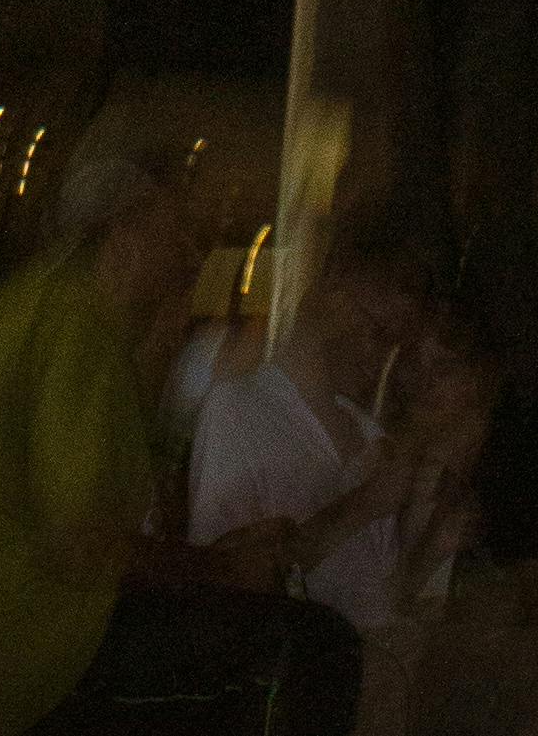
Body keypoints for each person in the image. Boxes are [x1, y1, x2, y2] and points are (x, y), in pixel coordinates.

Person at [0, 155, 363, 735]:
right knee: (310, 650)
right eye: (180, 231)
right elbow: (86, 547)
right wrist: (218, 568)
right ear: (125, 233)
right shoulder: (74, 325)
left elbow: (114, 517)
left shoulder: (56, 310)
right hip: (0, 667)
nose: (194, 255)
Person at [187, 228, 455, 631]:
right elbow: (224, 587)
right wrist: (366, 504)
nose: (384, 358)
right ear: (334, 295)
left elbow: (378, 603)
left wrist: (434, 545)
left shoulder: (372, 439)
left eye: (398, 345)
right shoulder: (239, 410)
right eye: (379, 332)